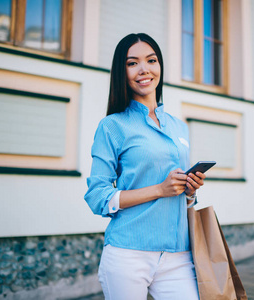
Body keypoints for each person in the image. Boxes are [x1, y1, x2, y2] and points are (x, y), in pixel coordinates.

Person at [84, 33, 206, 300]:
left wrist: (190, 192)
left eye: (151, 60)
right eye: (132, 63)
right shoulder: (112, 126)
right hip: (129, 253)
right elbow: (97, 197)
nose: (144, 69)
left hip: (178, 254)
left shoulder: (178, 126)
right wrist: (159, 190)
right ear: (122, 71)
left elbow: (181, 197)